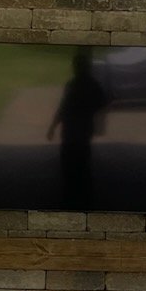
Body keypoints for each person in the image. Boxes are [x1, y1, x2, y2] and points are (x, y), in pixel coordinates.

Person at [47, 49, 109, 209]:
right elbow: (102, 102)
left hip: (72, 131)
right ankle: (82, 197)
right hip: (80, 131)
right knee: (80, 165)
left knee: (72, 165)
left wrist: (53, 126)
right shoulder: (90, 85)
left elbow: (63, 108)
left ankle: (73, 198)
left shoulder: (74, 85)